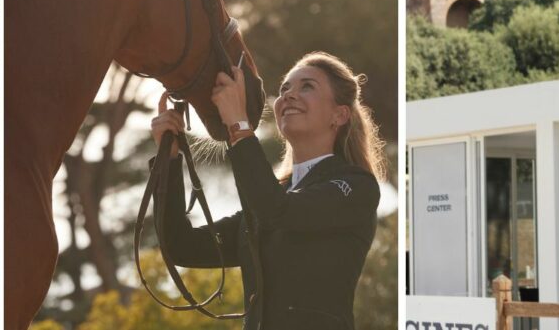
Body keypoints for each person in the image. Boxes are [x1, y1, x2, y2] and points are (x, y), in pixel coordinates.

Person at [151, 52, 386, 330]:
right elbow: (182, 247)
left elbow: (279, 211)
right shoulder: (271, 198)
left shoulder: (357, 186)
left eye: (307, 86)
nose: (288, 95)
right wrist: (168, 160)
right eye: (285, 88)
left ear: (340, 115)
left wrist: (238, 125)